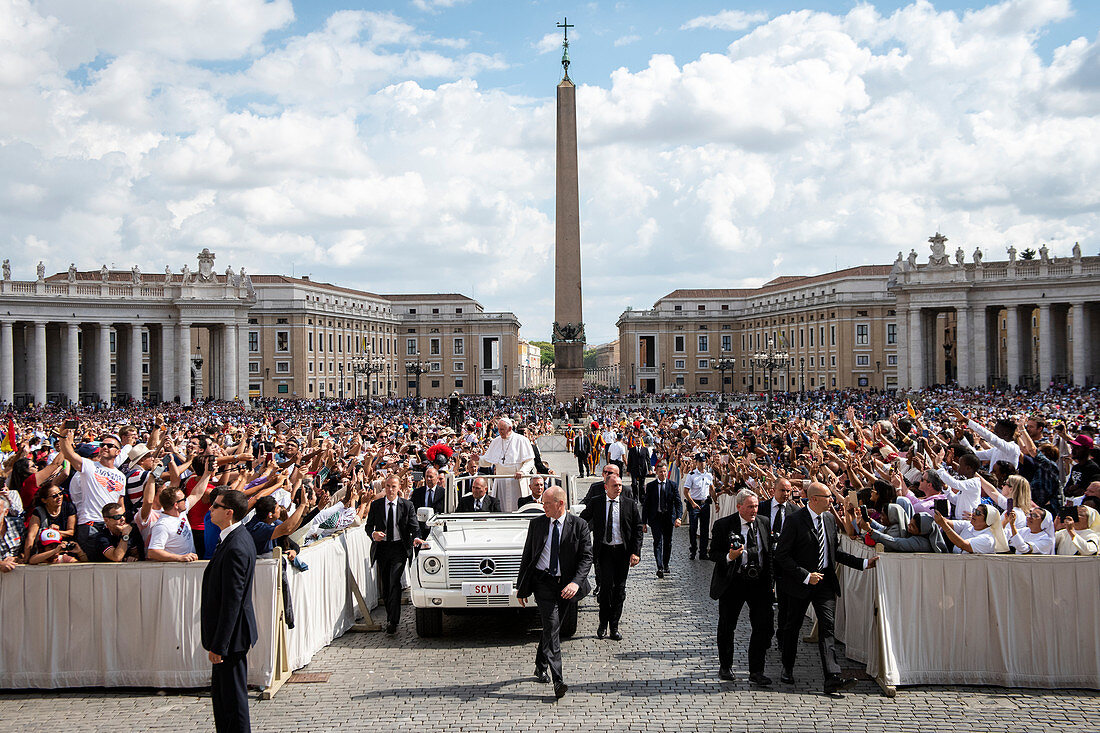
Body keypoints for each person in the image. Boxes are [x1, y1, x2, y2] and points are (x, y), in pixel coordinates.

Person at [774, 482, 878, 694]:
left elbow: (834, 553)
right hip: (799, 585)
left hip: (824, 584)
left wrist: (864, 564)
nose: (832, 500)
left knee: (828, 627)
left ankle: (832, 677)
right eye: (828, 496)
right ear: (814, 499)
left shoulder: (830, 520)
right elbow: (782, 555)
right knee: (791, 628)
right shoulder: (794, 521)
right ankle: (787, 667)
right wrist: (805, 576)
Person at [516, 486, 593, 700]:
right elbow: (527, 556)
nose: (543, 507)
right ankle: (558, 679)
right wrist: (521, 588)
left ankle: (540, 664)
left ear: (560, 504)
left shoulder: (579, 526)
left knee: (553, 628)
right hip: (543, 584)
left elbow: (587, 558)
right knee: (551, 626)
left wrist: (576, 583)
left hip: (567, 586)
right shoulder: (537, 524)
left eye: (547, 503)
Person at [201, 489, 258, 733]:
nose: (210, 509)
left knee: (233, 702)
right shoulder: (233, 538)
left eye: (215, 505)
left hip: (231, 638)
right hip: (227, 637)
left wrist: (220, 645)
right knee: (223, 700)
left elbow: (232, 601)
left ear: (229, 513)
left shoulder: (236, 546)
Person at [709, 488, 774, 685]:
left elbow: (768, 553)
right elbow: (713, 553)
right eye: (750, 507)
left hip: (759, 583)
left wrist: (771, 581)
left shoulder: (764, 522)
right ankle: (726, 666)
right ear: (739, 507)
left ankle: (756, 671)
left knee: (762, 626)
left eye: (756, 506)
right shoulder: (723, 525)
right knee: (727, 626)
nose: (754, 510)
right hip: (733, 581)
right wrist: (730, 557)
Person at [580, 474, 642, 640]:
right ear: (606, 487)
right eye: (615, 485)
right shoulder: (597, 502)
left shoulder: (629, 504)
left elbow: (637, 529)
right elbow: (583, 519)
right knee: (606, 589)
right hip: (604, 552)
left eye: (620, 485)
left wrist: (635, 552)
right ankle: (602, 624)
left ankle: (614, 626)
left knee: (619, 590)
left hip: (622, 552)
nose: (618, 488)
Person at [366, 474, 425, 634]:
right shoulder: (377, 505)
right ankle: (390, 615)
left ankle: (393, 620)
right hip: (383, 549)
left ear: (399, 487)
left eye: (393, 486)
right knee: (386, 585)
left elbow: (414, 526)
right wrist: (373, 534)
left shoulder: (407, 505)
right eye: (388, 486)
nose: (391, 490)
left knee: (394, 581)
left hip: (399, 548)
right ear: (384, 487)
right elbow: (368, 526)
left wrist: (417, 537)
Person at [56, 428, 126, 557]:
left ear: (118, 452)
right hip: (90, 524)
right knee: (90, 565)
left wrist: (122, 523)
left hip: (110, 527)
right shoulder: (89, 466)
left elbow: (120, 504)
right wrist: (63, 435)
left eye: (110, 446)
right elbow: (69, 454)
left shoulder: (121, 476)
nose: (104, 447)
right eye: (102, 445)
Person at [759, 477, 798, 647]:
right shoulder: (762, 508)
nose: (786, 494)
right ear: (773, 490)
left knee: (785, 603)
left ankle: (782, 636)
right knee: (765, 601)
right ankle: (766, 634)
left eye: (788, 491)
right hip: (766, 560)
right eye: (782, 490)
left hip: (785, 563)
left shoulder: (795, 511)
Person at [477, 417, 534, 511]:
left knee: (518, 509)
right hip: (501, 480)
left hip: (517, 481)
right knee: (501, 508)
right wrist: (478, 459)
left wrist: (523, 471)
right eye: (498, 429)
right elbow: (488, 461)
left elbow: (530, 461)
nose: (500, 432)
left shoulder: (522, 440)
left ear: (510, 429)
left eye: (502, 429)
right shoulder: (496, 441)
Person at [642, 462, 682, 577]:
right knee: (657, 541)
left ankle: (665, 564)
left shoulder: (672, 485)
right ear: (656, 472)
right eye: (661, 472)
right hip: (655, 518)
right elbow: (646, 505)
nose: (663, 474)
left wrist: (678, 517)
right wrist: (644, 522)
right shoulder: (651, 486)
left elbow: (678, 503)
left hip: (668, 518)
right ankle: (659, 566)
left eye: (664, 471)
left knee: (668, 542)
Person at [932, 504, 1008, 554]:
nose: (974, 514)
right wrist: (938, 514)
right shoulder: (969, 525)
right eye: (975, 510)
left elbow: (963, 545)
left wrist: (944, 526)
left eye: (978, 513)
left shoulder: (988, 539)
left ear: (988, 520)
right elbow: (946, 522)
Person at [683, 453, 715, 560]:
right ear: (696, 463)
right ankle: (693, 550)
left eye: (704, 461)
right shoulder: (691, 475)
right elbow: (686, 491)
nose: (702, 464)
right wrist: (692, 503)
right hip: (694, 504)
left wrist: (716, 502)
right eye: (700, 461)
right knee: (693, 528)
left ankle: (703, 552)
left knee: (705, 529)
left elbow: (711, 489)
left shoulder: (709, 475)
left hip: (705, 503)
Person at [411, 466, 446, 537]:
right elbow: (413, 510)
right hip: (420, 529)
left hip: (438, 528)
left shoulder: (444, 493)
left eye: (431, 477)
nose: (428, 479)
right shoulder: (417, 492)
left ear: (437, 478)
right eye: (427, 476)